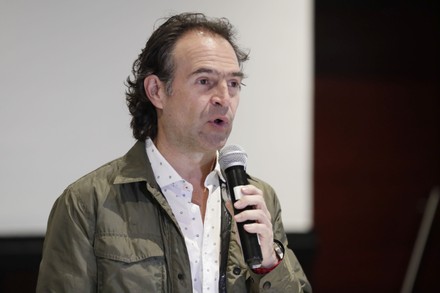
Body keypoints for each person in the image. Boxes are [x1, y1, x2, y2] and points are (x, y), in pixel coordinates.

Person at [36, 12, 311, 292]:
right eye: (204, 81)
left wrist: (270, 266)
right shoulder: (87, 203)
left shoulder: (257, 199)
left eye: (233, 84)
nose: (224, 98)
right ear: (157, 91)